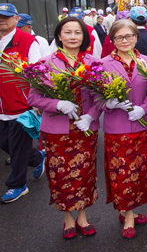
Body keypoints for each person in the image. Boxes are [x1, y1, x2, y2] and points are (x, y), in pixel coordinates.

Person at [27, 17, 100, 238]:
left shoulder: (93, 62)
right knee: (61, 175)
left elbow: (100, 96)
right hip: (56, 131)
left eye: (77, 33)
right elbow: (33, 98)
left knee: (85, 173)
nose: (72, 37)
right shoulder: (45, 63)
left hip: (84, 128)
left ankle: (82, 217)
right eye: (67, 32)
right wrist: (56, 104)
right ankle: (68, 219)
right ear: (59, 35)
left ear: (84, 36)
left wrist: (90, 116)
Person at [100, 20, 147, 238]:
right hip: (116, 128)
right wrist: (109, 104)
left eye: (129, 36)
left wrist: (144, 108)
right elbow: (95, 95)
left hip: (143, 127)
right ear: (112, 40)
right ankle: (128, 215)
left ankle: (131, 206)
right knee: (122, 172)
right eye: (120, 37)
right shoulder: (102, 64)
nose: (125, 41)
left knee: (140, 171)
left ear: (136, 37)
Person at [0, 3, 44, 204]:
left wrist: (36, 100)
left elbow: (37, 73)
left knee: (17, 146)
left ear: (17, 19)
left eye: (7, 16)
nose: (2, 20)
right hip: (2, 104)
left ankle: (17, 185)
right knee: (4, 142)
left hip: (20, 104)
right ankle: (36, 158)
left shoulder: (27, 41)